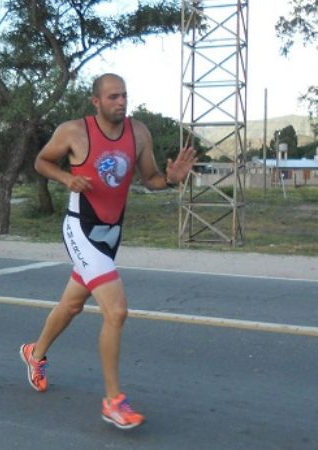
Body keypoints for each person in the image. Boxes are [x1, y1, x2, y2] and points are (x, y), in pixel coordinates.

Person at [20, 73, 197, 430]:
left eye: (124, 95)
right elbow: (42, 162)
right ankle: (113, 401)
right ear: (96, 101)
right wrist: (67, 178)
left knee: (72, 304)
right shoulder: (74, 131)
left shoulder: (139, 133)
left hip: (111, 233)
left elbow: (150, 179)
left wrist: (171, 179)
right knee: (116, 311)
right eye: (113, 96)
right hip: (80, 227)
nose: (121, 102)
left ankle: (34, 353)